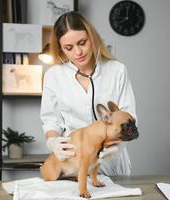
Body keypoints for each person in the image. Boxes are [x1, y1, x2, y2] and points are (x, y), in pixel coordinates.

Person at [40, 11, 137, 176]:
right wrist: (53, 142)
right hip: (75, 162)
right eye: (68, 48)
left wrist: (116, 146)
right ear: (61, 49)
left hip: (111, 161)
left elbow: (130, 117)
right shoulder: (53, 75)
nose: (77, 52)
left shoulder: (117, 70)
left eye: (82, 42)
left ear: (92, 38)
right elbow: (51, 120)